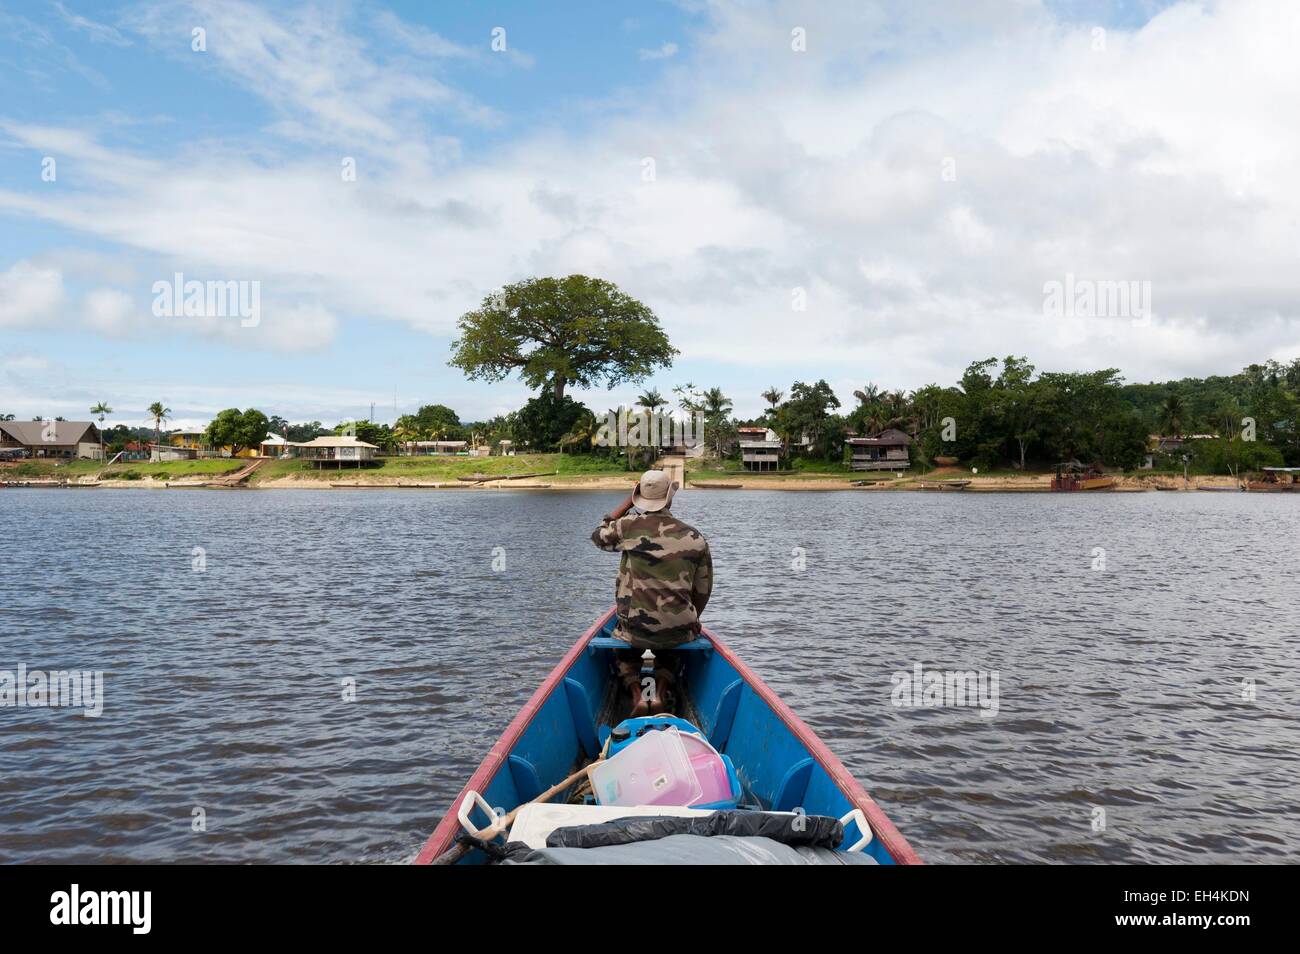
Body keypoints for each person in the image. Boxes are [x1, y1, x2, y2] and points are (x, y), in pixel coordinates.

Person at [591, 469, 713, 717]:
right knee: (674, 644)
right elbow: (703, 590)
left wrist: (626, 503)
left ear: (639, 497)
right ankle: (658, 692)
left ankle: (637, 695)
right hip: (679, 627)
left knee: (623, 646)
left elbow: (597, 535)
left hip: (635, 628)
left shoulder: (626, 528)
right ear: (669, 498)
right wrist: (690, 620)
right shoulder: (695, 537)